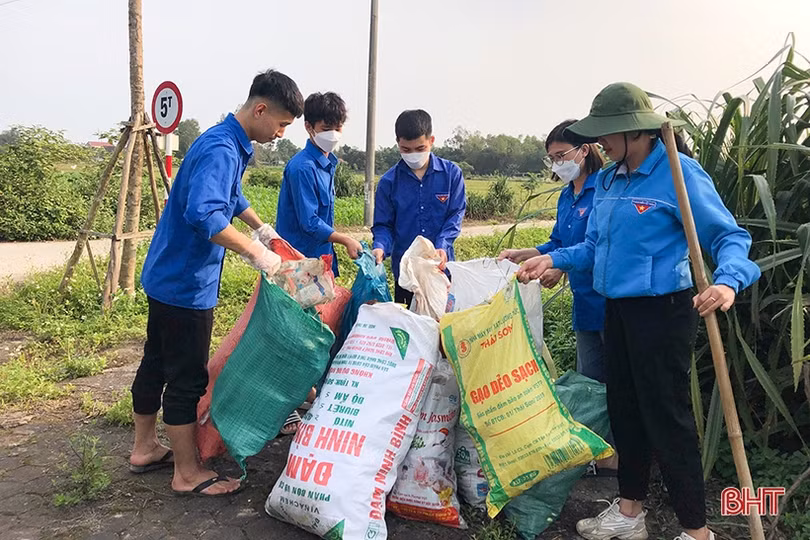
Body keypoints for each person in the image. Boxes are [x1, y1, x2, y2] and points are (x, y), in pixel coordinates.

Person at [515, 82, 761, 540]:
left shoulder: (677, 173)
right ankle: (630, 513)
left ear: (637, 131)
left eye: (607, 133)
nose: (600, 144)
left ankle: (696, 530)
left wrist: (728, 281)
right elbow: (593, 246)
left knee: (666, 418)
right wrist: (553, 258)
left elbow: (730, 238)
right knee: (624, 410)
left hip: (663, 313)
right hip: (618, 312)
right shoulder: (608, 180)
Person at [130, 70, 304, 497]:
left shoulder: (225, 140)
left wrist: (264, 230)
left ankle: (144, 448)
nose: (281, 133)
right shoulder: (223, 148)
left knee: (156, 360)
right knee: (187, 377)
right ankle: (186, 473)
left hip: (166, 275)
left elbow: (230, 198)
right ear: (260, 109)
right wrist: (255, 252)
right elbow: (206, 215)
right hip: (186, 284)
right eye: (281, 124)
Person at [499, 119, 617, 476]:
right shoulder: (568, 195)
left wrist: (559, 266)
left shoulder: (606, 189)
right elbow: (559, 243)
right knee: (589, 382)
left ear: (584, 150)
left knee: (617, 384)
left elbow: (596, 247)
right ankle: (595, 452)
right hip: (584, 302)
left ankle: (619, 458)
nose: (557, 164)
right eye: (551, 158)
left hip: (610, 301)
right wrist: (524, 253)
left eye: (561, 155)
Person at [371, 109, 466, 305]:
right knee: (409, 328)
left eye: (420, 148)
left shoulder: (451, 175)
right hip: (407, 275)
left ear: (431, 140)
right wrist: (380, 247)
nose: (414, 155)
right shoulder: (389, 182)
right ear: (398, 143)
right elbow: (383, 226)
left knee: (442, 328)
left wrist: (442, 245)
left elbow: (455, 215)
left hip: (440, 269)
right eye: (406, 150)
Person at [276, 91, 362, 275]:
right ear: (309, 127)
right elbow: (310, 222)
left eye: (338, 129)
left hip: (320, 257)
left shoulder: (328, 163)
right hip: (299, 263)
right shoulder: (303, 168)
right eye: (326, 128)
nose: (333, 135)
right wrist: (345, 240)